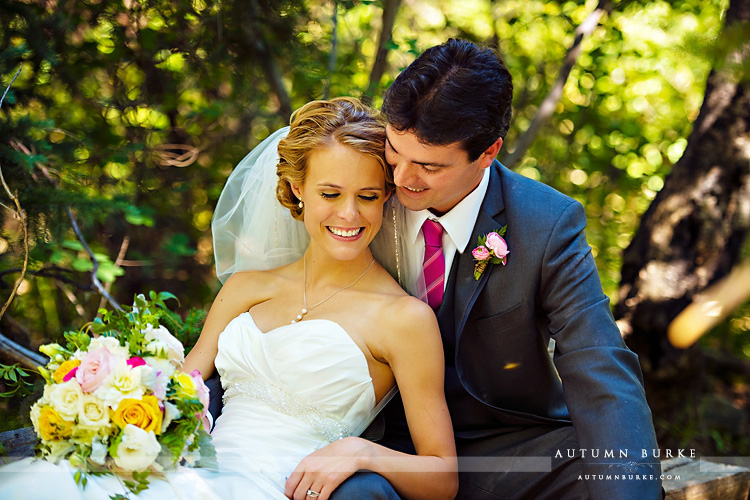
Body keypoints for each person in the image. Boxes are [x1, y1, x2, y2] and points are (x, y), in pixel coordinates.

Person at [0, 98, 457, 500]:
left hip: (274, 488)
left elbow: (443, 477)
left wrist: (363, 452)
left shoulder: (404, 318)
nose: (349, 213)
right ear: (298, 189)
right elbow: (179, 389)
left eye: (369, 196)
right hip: (191, 474)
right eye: (330, 193)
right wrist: (112, 407)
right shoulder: (247, 288)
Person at [330, 39, 663, 500]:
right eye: (394, 150)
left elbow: (599, 363)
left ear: (488, 152)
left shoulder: (547, 224)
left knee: (611, 475)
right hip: (378, 438)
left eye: (428, 165)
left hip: (504, 445)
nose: (402, 178)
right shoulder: (355, 192)